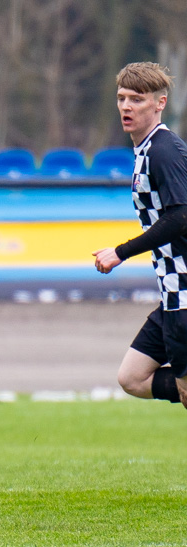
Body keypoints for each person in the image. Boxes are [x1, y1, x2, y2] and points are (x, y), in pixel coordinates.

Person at [93, 62, 187, 409]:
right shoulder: (146, 150)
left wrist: (122, 251)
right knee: (132, 377)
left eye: (137, 99)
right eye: (121, 98)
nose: (126, 107)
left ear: (160, 103)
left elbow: (181, 216)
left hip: (185, 290)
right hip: (172, 293)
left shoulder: (163, 150)